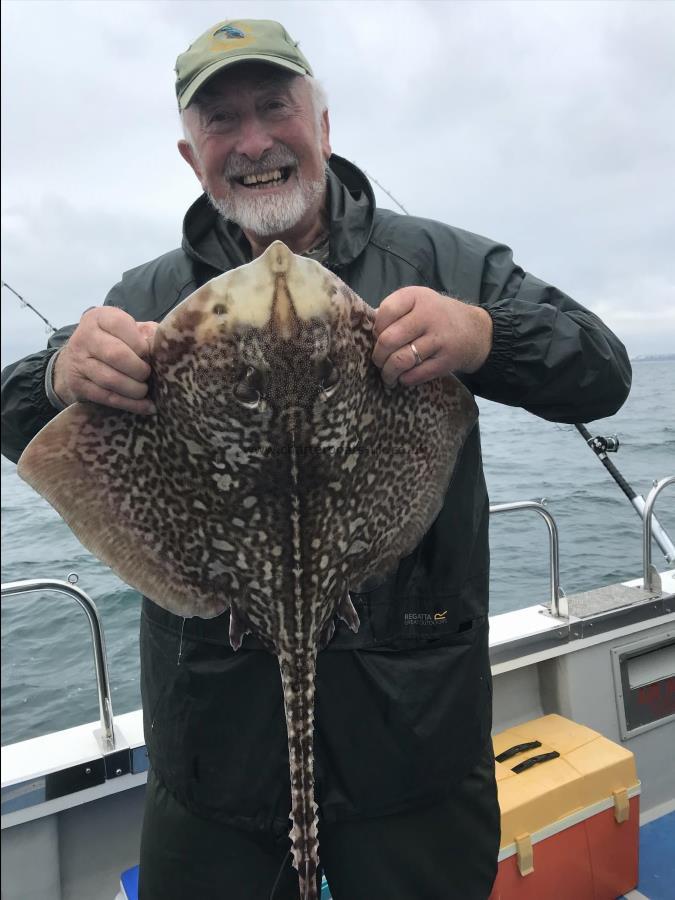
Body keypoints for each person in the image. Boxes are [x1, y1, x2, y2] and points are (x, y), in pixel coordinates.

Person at [0, 18, 631, 900]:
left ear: (323, 127)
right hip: (210, 755)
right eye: (222, 121)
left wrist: (486, 334)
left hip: (413, 739)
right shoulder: (146, 297)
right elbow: (15, 416)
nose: (254, 140)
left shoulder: (441, 262)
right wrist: (60, 376)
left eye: (274, 107)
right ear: (192, 154)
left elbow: (600, 371)